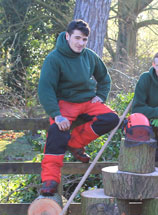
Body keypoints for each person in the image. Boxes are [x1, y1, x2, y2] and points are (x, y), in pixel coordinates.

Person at [38, 19, 119, 195]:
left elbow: (104, 78)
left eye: (84, 39)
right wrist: (56, 114)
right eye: (77, 38)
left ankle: (75, 143)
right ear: (67, 36)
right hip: (65, 104)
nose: (80, 43)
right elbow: (45, 89)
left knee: (112, 118)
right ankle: (50, 180)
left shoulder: (89, 56)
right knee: (57, 134)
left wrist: (101, 96)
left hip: (88, 102)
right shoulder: (54, 59)